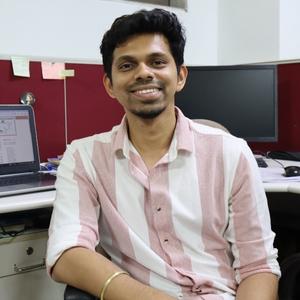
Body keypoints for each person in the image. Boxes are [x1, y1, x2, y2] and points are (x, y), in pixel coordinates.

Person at [46, 8, 280, 300]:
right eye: (127, 65)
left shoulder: (231, 153)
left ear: (180, 76)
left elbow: (257, 266)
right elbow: (67, 251)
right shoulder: (84, 158)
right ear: (109, 85)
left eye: (157, 62)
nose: (144, 72)